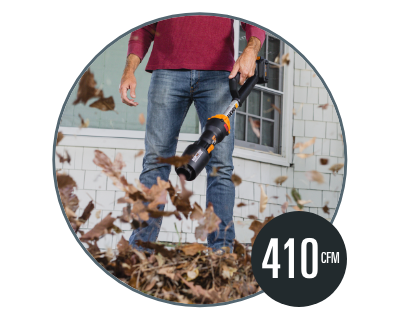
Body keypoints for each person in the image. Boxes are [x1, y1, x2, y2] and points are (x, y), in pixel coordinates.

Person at [119, 16, 265, 253]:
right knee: (156, 162)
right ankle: (139, 252)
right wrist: (129, 71)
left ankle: (221, 254)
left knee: (220, 166)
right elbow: (144, 28)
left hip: (220, 75)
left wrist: (250, 49)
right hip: (167, 71)